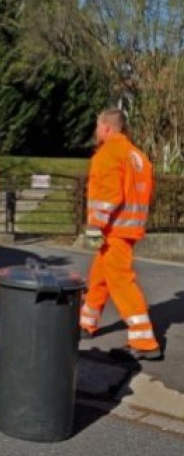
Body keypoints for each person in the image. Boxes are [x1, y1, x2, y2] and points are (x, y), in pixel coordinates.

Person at [80, 108, 162, 361]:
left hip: (112, 228)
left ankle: (145, 341)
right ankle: (86, 324)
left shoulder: (108, 153)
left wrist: (95, 227)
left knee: (121, 282)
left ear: (105, 127)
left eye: (97, 127)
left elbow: (108, 195)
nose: (96, 132)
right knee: (100, 277)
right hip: (127, 228)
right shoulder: (138, 156)